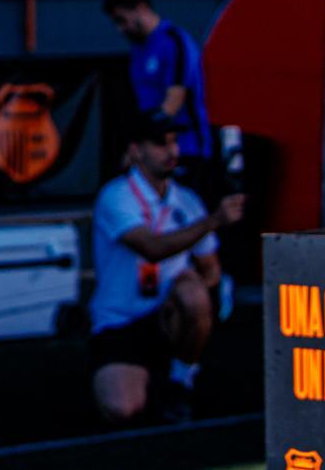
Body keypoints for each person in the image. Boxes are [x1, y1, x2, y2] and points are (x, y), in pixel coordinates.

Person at [89, 114, 243, 423]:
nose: (171, 151)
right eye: (160, 143)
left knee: (193, 293)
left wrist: (201, 304)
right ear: (136, 151)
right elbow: (152, 248)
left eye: (174, 142)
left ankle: (181, 379)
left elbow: (210, 266)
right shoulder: (116, 196)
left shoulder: (187, 200)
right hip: (121, 318)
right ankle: (153, 377)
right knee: (121, 409)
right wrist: (215, 220)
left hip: (166, 315)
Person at [104, 0, 213, 196]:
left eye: (121, 20)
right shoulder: (137, 50)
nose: (121, 29)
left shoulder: (174, 42)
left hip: (185, 151)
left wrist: (139, 144)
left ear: (141, 8)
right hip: (151, 154)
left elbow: (172, 105)